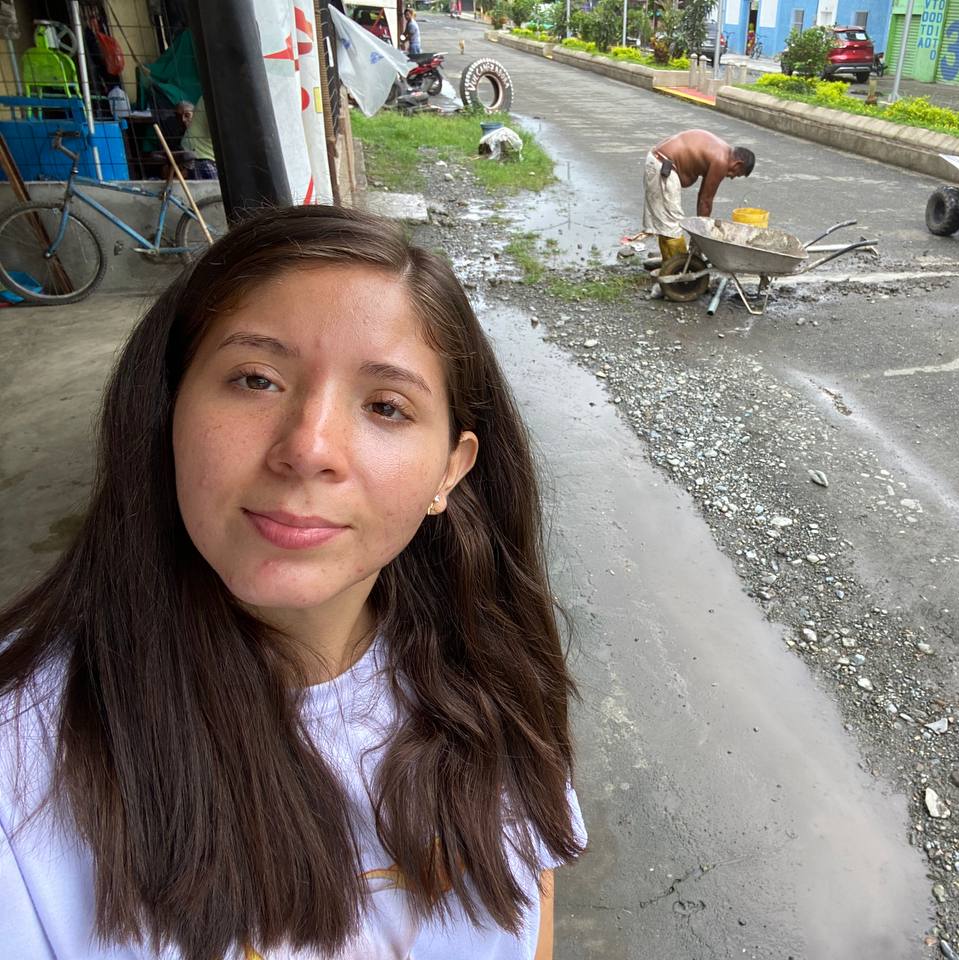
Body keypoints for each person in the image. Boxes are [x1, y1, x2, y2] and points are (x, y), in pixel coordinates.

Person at [0, 205, 586, 959]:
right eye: (256, 379)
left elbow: (530, 901)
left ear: (450, 470)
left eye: (386, 407)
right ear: (167, 406)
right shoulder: (22, 762)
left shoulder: (493, 667)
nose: (309, 448)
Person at [643, 129, 755, 261]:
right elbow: (705, 201)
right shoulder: (721, 161)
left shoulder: (722, 151)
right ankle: (681, 266)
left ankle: (669, 263)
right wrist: (702, 237)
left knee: (665, 222)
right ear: (738, 164)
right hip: (663, 166)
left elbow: (703, 195)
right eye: (736, 174)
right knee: (672, 223)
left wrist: (698, 234)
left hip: (657, 160)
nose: (731, 177)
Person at [175, 98, 217, 180]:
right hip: (200, 160)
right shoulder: (184, 136)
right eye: (179, 117)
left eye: (187, 115)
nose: (183, 120)